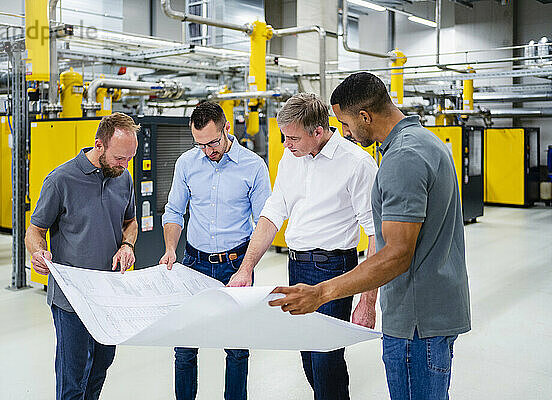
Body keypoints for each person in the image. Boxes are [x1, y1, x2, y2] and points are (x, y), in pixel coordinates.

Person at [269, 72, 472, 400]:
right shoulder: (425, 142)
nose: (344, 132)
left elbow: (395, 254)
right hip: (433, 309)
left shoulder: (402, 158)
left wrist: (322, 294)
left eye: (345, 124)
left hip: (415, 320)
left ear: (365, 116)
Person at [228, 92, 378, 400]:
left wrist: (367, 302)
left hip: (333, 268)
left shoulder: (357, 164)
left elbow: (376, 233)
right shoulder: (290, 157)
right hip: (296, 265)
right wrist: (246, 268)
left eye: (292, 138)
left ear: (319, 132)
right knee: (309, 357)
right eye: (284, 137)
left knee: (326, 360)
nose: (286, 144)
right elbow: (273, 213)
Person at [160, 101, 271, 400]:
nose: (208, 151)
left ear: (226, 128)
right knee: (184, 347)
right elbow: (173, 211)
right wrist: (171, 248)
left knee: (236, 348)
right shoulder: (186, 163)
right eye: (200, 145)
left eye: (212, 142)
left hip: (235, 266)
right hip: (192, 263)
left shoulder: (253, 166)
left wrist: (246, 269)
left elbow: (265, 223)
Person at [25, 112, 139, 400]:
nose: (125, 165)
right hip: (71, 299)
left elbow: (131, 222)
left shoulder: (123, 178)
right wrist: (38, 253)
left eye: (129, 158)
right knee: (73, 377)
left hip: (109, 295)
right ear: (98, 145)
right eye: (119, 157)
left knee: (100, 367)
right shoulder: (60, 180)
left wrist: (128, 245)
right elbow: (34, 231)